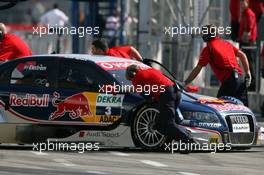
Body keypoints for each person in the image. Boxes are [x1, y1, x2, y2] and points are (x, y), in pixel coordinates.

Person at [125, 64, 194, 149]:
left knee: (167, 123)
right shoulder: (150, 70)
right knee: (159, 124)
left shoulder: (136, 79)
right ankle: (177, 140)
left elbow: (146, 95)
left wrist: (151, 99)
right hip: (175, 91)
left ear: (131, 76)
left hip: (166, 94)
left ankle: (188, 138)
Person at [184, 25, 251, 106]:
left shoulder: (208, 49)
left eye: (204, 33)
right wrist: (248, 73)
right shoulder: (226, 43)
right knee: (244, 109)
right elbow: (242, 55)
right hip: (240, 79)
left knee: (219, 108)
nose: (202, 34)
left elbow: (197, 69)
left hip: (230, 81)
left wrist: (185, 82)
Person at [239, 0, 257, 90]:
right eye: (241, 3)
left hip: (248, 42)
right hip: (246, 42)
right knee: (247, 63)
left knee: (250, 64)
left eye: (243, 2)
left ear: (247, 3)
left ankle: (252, 85)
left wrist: (243, 38)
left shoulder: (248, 13)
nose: (242, 4)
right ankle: (250, 84)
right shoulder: (244, 13)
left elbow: (248, 28)